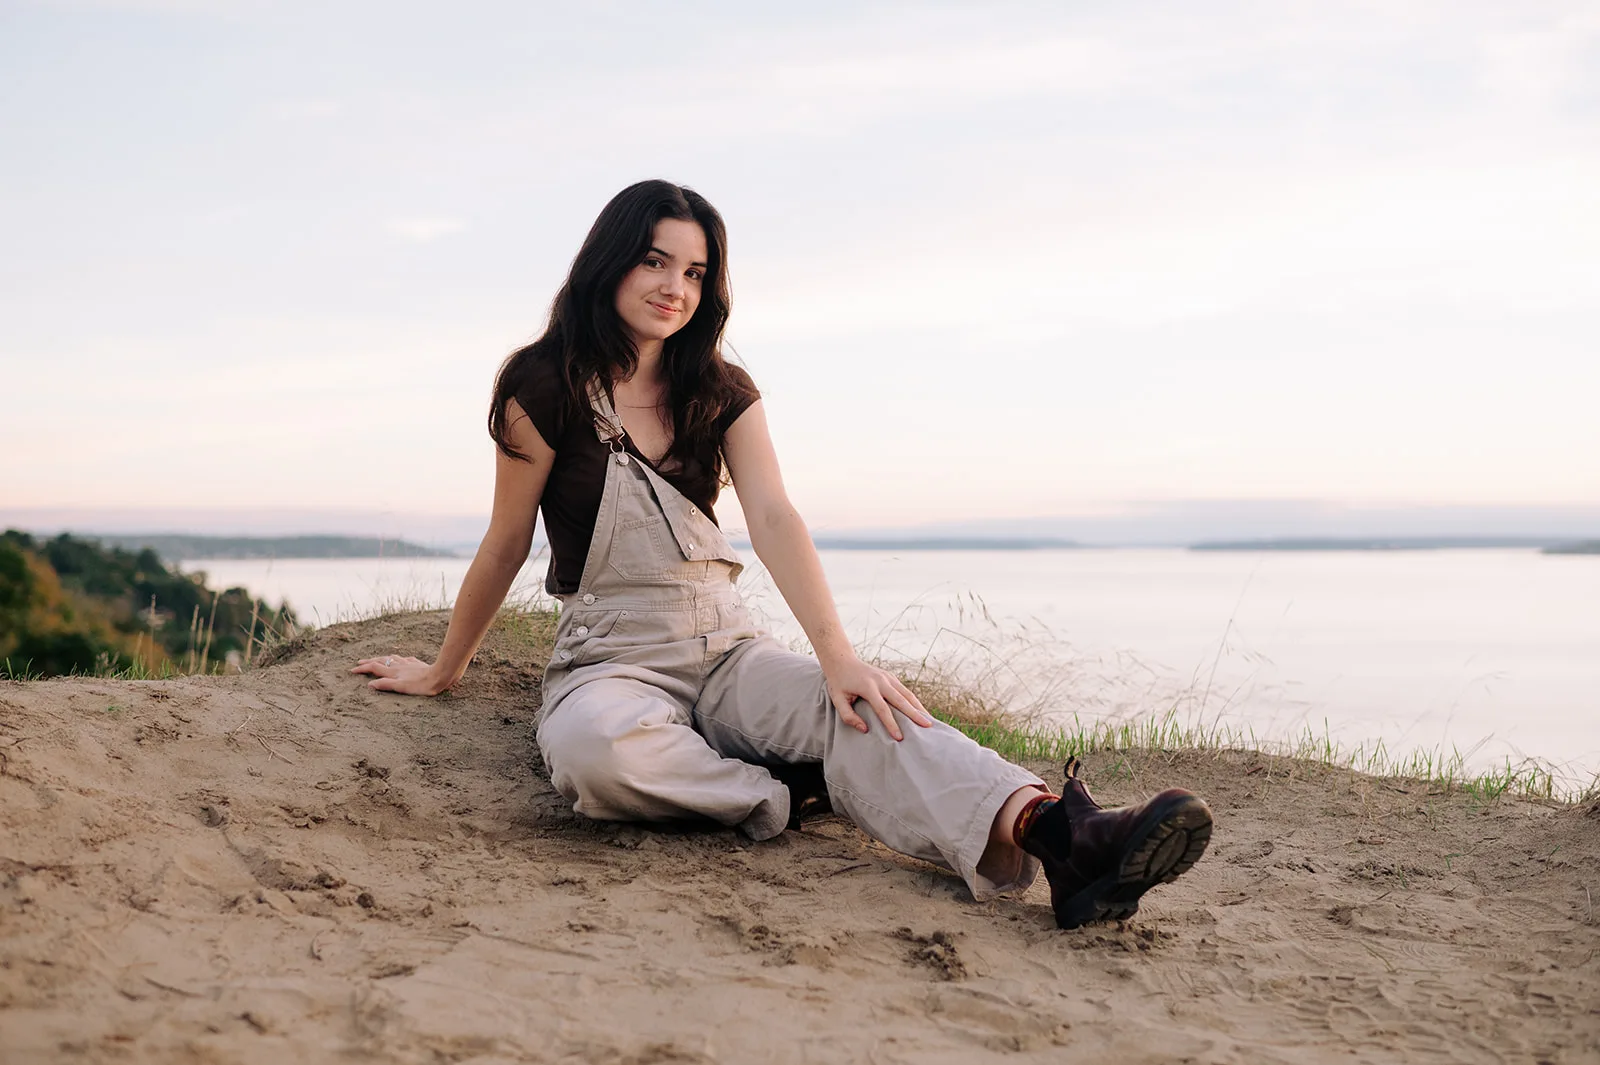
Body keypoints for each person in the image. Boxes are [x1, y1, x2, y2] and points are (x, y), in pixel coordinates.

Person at [351, 180, 1212, 929]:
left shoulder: (718, 388)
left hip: (724, 647)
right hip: (610, 656)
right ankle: (789, 789)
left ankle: (1060, 834)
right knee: (591, 755)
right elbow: (506, 542)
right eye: (655, 261)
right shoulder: (537, 386)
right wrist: (444, 667)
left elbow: (772, 514)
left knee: (868, 709)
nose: (674, 288)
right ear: (609, 261)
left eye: (694, 273)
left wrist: (839, 657)